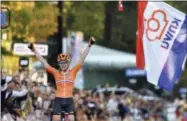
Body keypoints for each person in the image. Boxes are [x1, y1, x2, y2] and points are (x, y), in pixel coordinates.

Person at [28, 36, 96, 121]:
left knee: (71, 119)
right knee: (56, 119)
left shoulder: (73, 71)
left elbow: (82, 58)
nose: (63, 64)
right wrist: (33, 49)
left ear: (68, 63)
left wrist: (89, 45)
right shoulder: (56, 73)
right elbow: (43, 62)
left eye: (64, 62)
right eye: (61, 63)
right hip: (58, 100)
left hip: (69, 100)